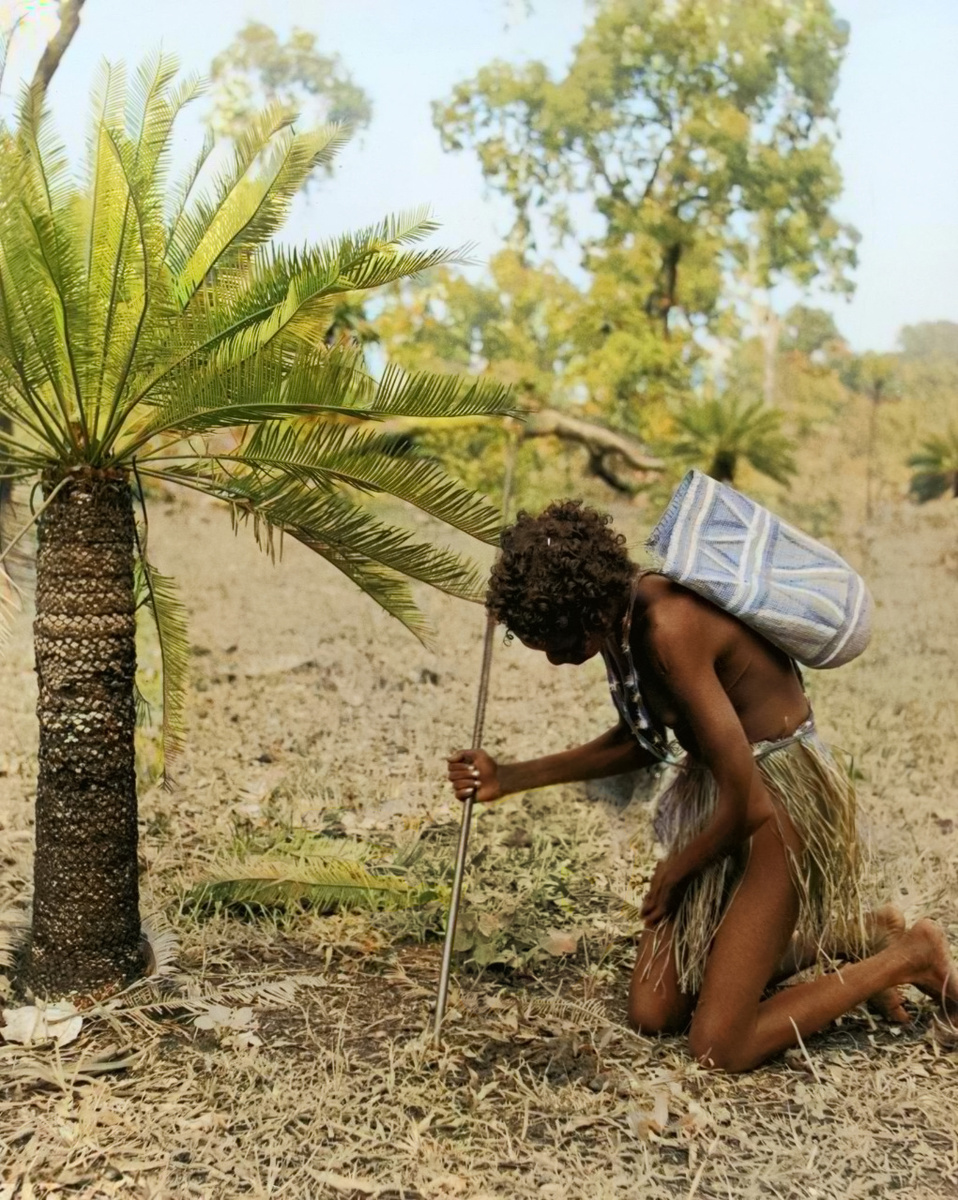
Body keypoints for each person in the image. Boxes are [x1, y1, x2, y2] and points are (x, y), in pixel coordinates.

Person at [446, 500, 958, 1073]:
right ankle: (859, 932)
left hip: (777, 802)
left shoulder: (669, 627)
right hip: (725, 794)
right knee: (654, 1010)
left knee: (719, 1046)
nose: (560, 660)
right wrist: (508, 777)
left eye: (563, 643)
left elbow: (749, 799)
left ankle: (912, 955)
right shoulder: (618, 622)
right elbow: (638, 737)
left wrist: (679, 867)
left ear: (588, 602)